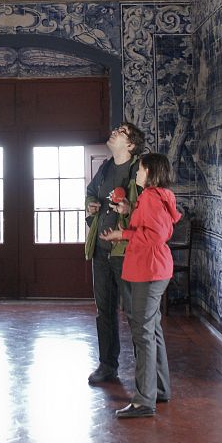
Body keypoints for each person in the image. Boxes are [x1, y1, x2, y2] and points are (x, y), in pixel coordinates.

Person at [100, 152, 181, 418]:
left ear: (151, 172)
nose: (137, 173)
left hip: (149, 269)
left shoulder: (150, 196)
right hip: (154, 268)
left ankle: (144, 401)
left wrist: (121, 233)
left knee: (143, 333)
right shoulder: (157, 197)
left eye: (141, 169)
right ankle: (159, 389)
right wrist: (129, 211)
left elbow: (154, 235)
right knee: (152, 329)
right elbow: (152, 222)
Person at [84, 121, 145, 385]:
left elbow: (148, 209)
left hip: (126, 251)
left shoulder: (139, 170)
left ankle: (145, 374)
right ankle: (107, 365)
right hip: (101, 249)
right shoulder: (106, 167)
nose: (115, 132)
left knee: (134, 313)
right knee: (104, 311)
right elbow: (90, 192)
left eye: (122, 132)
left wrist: (128, 209)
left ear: (130, 145)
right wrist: (91, 206)